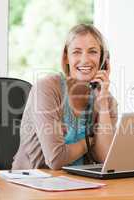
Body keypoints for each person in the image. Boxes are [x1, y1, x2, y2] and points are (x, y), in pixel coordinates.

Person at [12, 24, 118, 170]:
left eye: (92, 52)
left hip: (81, 185)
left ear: (103, 61)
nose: (85, 59)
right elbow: (56, 159)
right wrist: (90, 141)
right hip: (34, 184)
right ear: (66, 57)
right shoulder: (47, 89)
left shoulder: (107, 100)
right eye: (76, 52)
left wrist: (103, 105)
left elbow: (105, 159)